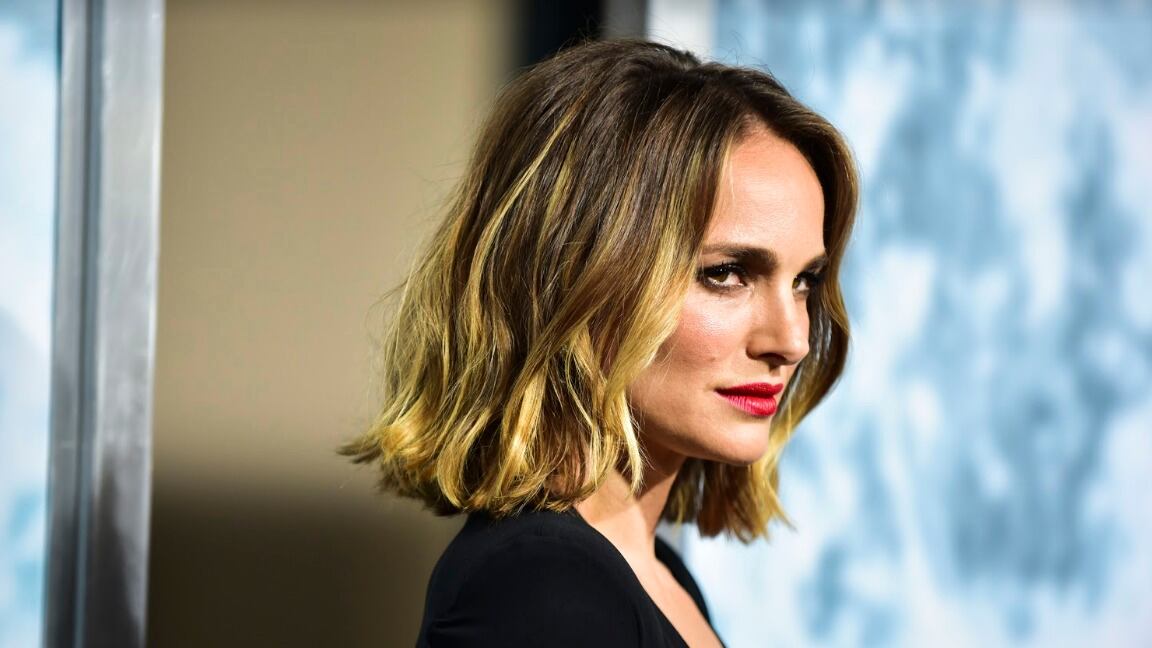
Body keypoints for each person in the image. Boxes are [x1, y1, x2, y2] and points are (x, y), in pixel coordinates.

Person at [342, 39, 858, 647]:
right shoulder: (542, 590)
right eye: (726, 273)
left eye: (805, 281)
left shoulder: (658, 577)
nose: (793, 340)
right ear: (574, 279)